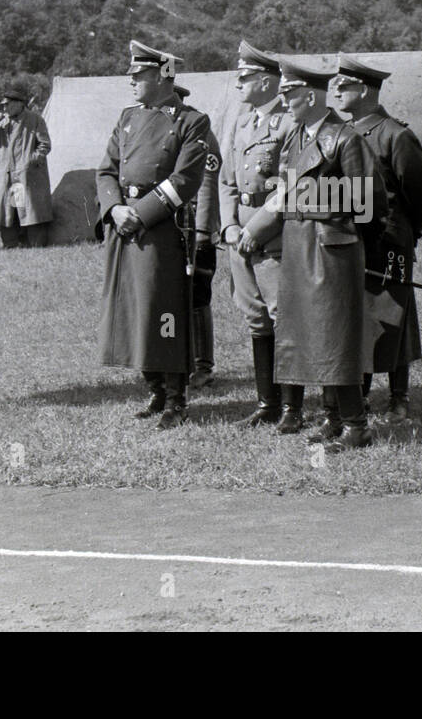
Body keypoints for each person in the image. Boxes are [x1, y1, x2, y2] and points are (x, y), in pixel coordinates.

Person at [241, 57, 387, 453]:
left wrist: (301, 200)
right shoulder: (301, 138)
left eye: (290, 93)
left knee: (335, 337)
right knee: (313, 335)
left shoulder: (345, 139)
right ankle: (334, 418)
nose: (284, 100)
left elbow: (368, 200)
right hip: (301, 244)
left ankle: (356, 425)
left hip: (332, 249)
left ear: (310, 95)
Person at [96, 40, 211, 429]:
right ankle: (155, 390)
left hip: (159, 230)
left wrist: (141, 215)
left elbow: (185, 179)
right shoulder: (127, 118)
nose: (132, 82)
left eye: (139, 75)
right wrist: (114, 209)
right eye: (131, 76)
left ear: (163, 76)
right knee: (132, 311)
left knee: (164, 314)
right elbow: (106, 170)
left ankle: (176, 398)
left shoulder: (191, 121)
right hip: (122, 225)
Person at [329, 54, 422, 422]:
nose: (337, 92)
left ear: (364, 90)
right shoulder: (341, 134)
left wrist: (407, 233)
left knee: (393, 314)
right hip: (351, 239)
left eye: (344, 86)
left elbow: (421, 196)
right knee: (356, 315)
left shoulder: (396, 135)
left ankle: (398, 397)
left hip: (389, 240)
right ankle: (357, 394)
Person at [219, 41, 304, 432]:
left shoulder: (289, 124)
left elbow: (290, 187)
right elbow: (225, 180)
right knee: (256, 320)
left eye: (246, 77)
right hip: (240, 235)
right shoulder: (241, 121)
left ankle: (291, 408)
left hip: (273, 235)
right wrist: (231, 226)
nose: (240, 83)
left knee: (282, 318)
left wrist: (255, 230)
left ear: (269, 82)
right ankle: (266, 403)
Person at [173, 83, 221, 390]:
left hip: (194, 228)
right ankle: (176, 360)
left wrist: (203, 230)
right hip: (167, 225)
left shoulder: (197, 127)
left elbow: (208, 181)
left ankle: (203, 365)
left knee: (197, 295)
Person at [0, 81, 53, 248]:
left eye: (7, 105)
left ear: (19, 104)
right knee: (7, 210)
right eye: (3, 105)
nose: (5, 109)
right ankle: (10, 244)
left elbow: (45, 145)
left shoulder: (35, 120)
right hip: (6, 173)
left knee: (29, 210)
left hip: (27, 174)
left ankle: (34, 244)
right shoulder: (2, 121)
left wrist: (30, 161)